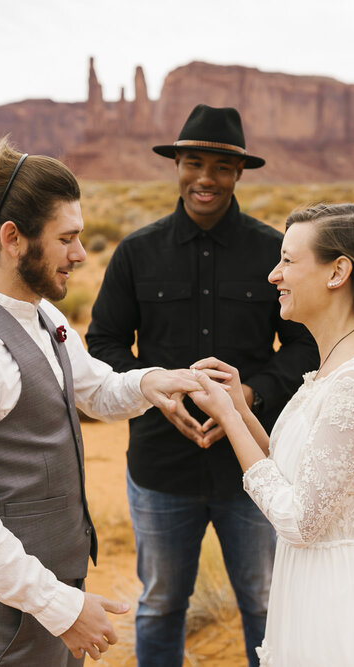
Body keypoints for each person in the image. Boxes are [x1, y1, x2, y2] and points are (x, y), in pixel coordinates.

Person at [0, 137, 202, 666]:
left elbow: (94, 390)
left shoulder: (45, 317)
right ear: (13, 238)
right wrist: (60, 607)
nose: (81, 255)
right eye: (67, 238)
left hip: (52, 592)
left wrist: (153, 381)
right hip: (5, 610)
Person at [85, 105, 319, 666]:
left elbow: (309, 346)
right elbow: (103, 346)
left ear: (239, 172)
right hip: (160, 469)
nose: (206, 178)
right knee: (161, 603)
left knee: (265, 603)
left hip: (254, 469)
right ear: (177, 167)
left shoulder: (274, 253)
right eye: (194, 163)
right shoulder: (137, 253)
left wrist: (251, 396)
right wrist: (153, 392)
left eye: (220, 166)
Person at [187, 203, 354, 665]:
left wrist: (230, 420)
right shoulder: (334, 366)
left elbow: (299, 521)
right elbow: (287, 468)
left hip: (338, 597)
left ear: (338, 272)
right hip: (310, 581)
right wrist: (238, 403)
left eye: (288, 261)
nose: (274, 276)